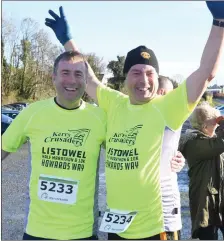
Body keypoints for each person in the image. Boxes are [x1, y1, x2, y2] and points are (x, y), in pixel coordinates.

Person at [45, 1, 224, 239]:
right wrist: (68, 41)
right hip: (117, 225)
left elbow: (205, 73)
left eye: (150, 73)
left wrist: (219, 23)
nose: (144, 79)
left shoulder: (168, 107)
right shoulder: (116, 102)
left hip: (155, 227)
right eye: (136, 72)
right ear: (125, 77)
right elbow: (88, 79)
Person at [1, 51, 106, 240]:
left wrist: (171, 157)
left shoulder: (100, 118)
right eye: (65, 72)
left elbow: (129, 151)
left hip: (82, 233)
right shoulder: (32, 113)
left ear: (85, 81)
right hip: (37, 232)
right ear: (54, 77)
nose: (72, 80)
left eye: (78, 74)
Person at [178, 103, 224, 240]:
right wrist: (222, 121)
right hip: (204, 200)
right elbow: (220, 143)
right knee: (208, 234)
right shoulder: (194, 143)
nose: (217, 125)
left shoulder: (210, 140)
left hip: (219, 196)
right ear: (204, 127)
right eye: (215, 123)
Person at [157, 76, 184, 240]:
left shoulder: (173, 117)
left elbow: (171, 149)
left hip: (166, 207)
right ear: (163, 92)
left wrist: (179, 159)